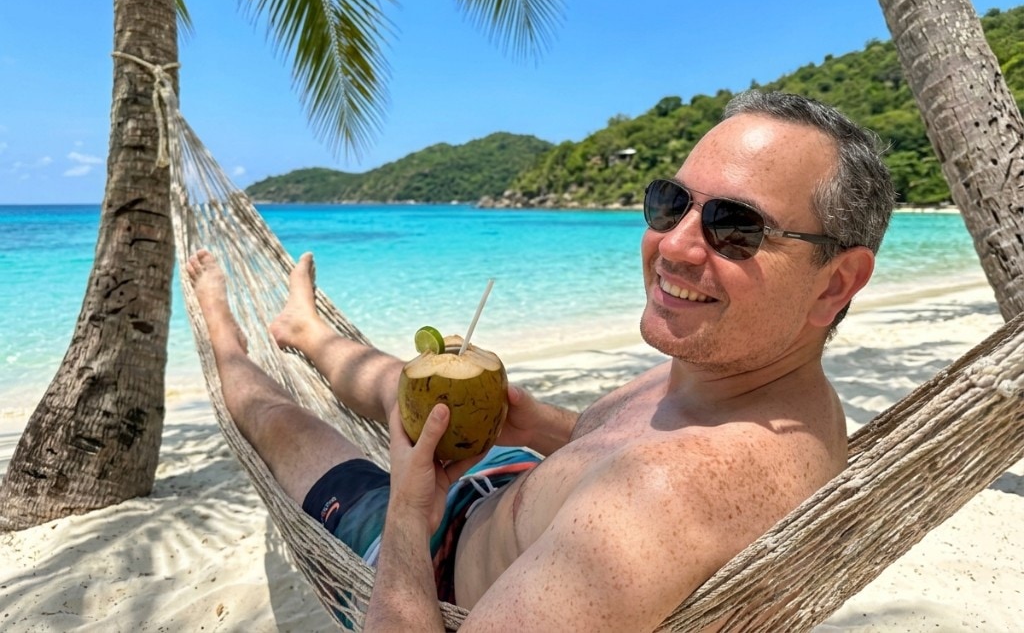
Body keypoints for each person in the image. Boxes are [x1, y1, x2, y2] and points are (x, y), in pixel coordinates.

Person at [186, 89, 895, 631]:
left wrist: (406, 505)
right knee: (408, 385)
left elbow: (643, 491)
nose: (675, 246)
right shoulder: (748, 379)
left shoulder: (663, 502)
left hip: (435, 555)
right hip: (519, 488)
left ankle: (225, 335)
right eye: (670, 202)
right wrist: (533, 424)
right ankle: (307, 333)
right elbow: (616, 447)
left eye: (735, 227)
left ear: (836, 282)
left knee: (283, 421)